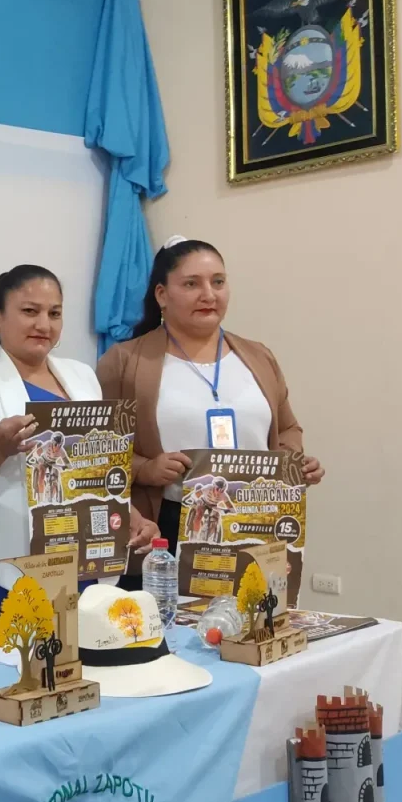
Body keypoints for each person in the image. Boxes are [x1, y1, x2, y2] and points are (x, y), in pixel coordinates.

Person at [97, 236, 324, 590]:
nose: (209, 294)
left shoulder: (258, 356)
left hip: (256, 519)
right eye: (192, 284)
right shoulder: (125, 361)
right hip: (168, 524)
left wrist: (293, 464)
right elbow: (98, 452)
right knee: (170, 624)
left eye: (218, 282)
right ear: (162, 295)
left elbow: (288, 429)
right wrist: (145, 468)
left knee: (253, 620)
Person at [0, 265, 161, 631]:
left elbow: (95, 471)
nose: (43, 325)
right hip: (0, 575)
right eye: (29, 311)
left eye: (54, 313)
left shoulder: (83, 376)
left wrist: (133, 517)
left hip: (84, 569)